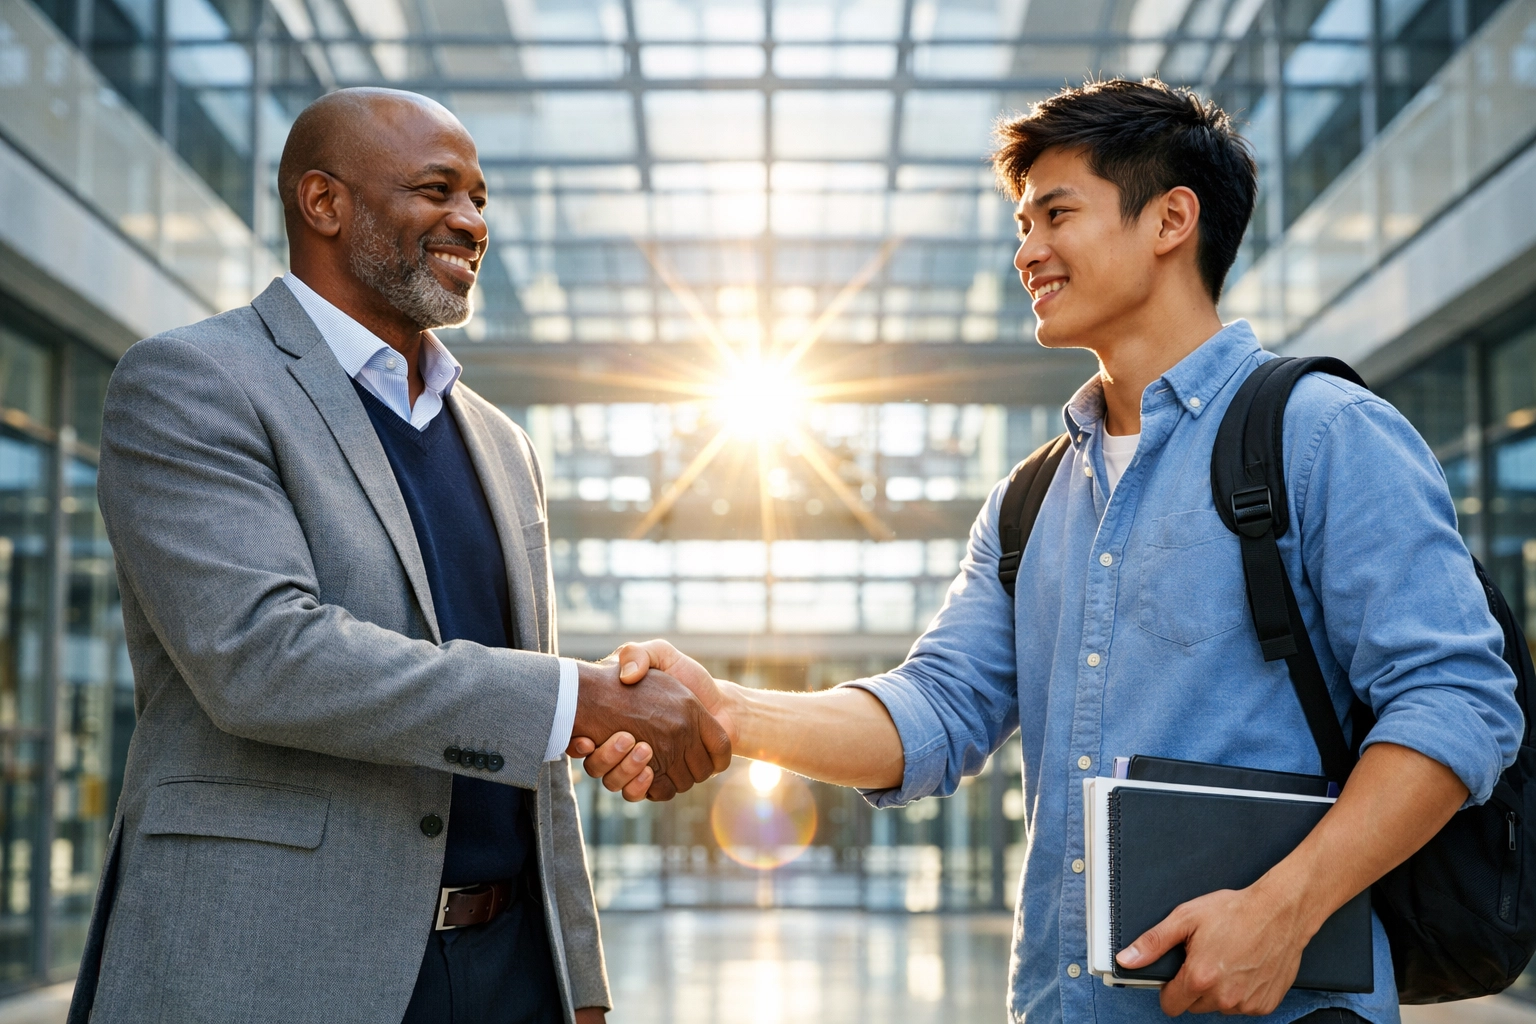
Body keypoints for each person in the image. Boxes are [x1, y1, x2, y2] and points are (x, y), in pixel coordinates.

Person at [572, 79, 1525, 1022]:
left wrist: (1286, 908)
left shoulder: (1325, 435)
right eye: (1022, 223)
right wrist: (724, 707)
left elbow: (1460, 702)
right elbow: (937, 711)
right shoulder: (1032, 499)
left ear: (1170, 220)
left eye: (1055, 214)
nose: (1027, 252)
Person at [69, 87, 730, 1024]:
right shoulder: (193, 382)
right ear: (323, 203)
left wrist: (577, 978)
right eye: (437, 189)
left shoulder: (500, 441)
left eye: (481, 199)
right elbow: (262, 658)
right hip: (276, 968)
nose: (470, 221)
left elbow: (526, 737)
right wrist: (581, 698)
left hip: (508, 966)